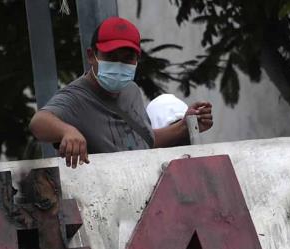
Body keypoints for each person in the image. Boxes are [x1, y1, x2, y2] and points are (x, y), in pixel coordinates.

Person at [29, 17, 213, 167]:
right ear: (92, 56)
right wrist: (67, 131)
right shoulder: (75, 97)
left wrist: (186, 125)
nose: (119, 64)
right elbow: (38, 123)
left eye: (127, 58)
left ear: (137, 59)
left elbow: (144, 141)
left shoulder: (131, 89)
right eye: (110, 57)